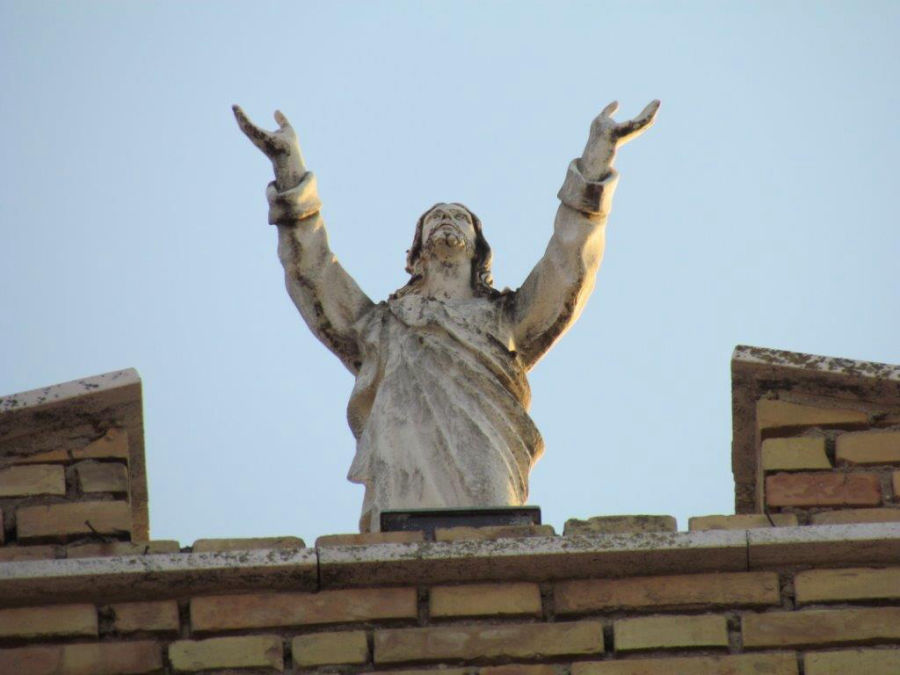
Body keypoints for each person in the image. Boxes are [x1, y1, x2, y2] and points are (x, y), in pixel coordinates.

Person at [234, 100, 659, 531]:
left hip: (488, 450)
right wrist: (289, 170)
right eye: (435, 217)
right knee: (397, 548)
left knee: (497, 546)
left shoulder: (505, 318)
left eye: (459, 217)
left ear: (478, 249)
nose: (446, 219)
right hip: (403, 456)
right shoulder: (382, 324)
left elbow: (568, 265)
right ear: (417, 254)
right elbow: (313, 272)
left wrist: (596, 161)